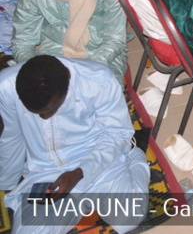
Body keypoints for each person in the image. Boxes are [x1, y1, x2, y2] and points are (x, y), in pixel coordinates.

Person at [0, 55, 149, 234]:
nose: (44, 117)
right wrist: (7, 181)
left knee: (129, 218)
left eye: (51, 109)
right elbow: (11, 136)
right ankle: (77, 202)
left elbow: (117, 133)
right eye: (36, 112)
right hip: (46, 171)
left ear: (68, 86)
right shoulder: (6, 86)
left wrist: (80, 173)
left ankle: (135, 153)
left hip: (97, 158)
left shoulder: (97, 79)